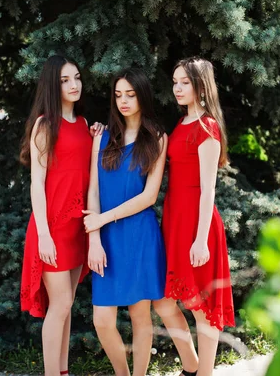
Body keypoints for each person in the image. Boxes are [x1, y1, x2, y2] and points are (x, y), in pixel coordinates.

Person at [19, 55, 103, 376]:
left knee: (66, 307)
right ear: (53, 86)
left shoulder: (83, 124)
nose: (74, 84)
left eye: (77, 77)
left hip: (77, 226)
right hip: (52, 226)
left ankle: (63, 371)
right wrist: (43, 234)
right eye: (65, 80)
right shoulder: (44, 124)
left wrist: (97, 136)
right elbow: (36, 184)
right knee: (61, 304)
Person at [82, 68, 167, 376]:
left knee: (141, 318)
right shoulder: (102, 136)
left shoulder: (157, 137)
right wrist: (94, 239)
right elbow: (93, 189)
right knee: (102, 320)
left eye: (130, 94)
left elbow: (149, 197)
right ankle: (122, 373)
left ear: (142, 95)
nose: (124, 101)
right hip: (104, 237)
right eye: (118, 95)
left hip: (139, 235)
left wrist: (102, 219)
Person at [154, 57, 235, 376]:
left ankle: (205, 373)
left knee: (202, 308)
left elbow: (208, 189)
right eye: (175, 82)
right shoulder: (182, 122)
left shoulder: (207, 127)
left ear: (201, 86)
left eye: (184, 82)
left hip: (198, 224)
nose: (177, 88)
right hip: (174, 220)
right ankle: (191, 366)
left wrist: (201, 240)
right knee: (163, 302)